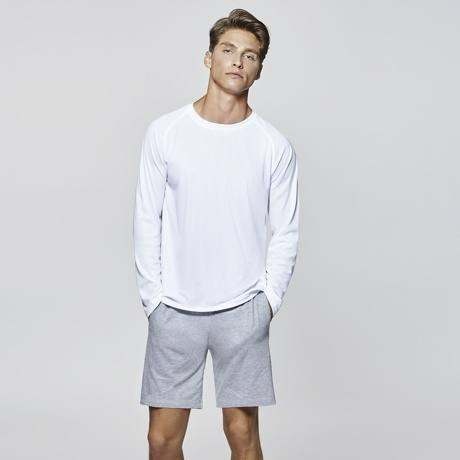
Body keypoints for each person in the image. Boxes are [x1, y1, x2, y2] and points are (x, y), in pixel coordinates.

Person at [133, 8, 300, 459]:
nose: (238, 61)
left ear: (259, 69)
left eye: (250, 55)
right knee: (161, 440)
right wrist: (154, 299)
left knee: (242, 435)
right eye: (228, 50)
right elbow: (147, 217)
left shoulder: (273, 145)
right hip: (175, 308)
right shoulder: (165, 132)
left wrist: (267, 302)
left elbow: (285, 230)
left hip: (243, 308)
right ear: (209, 57)